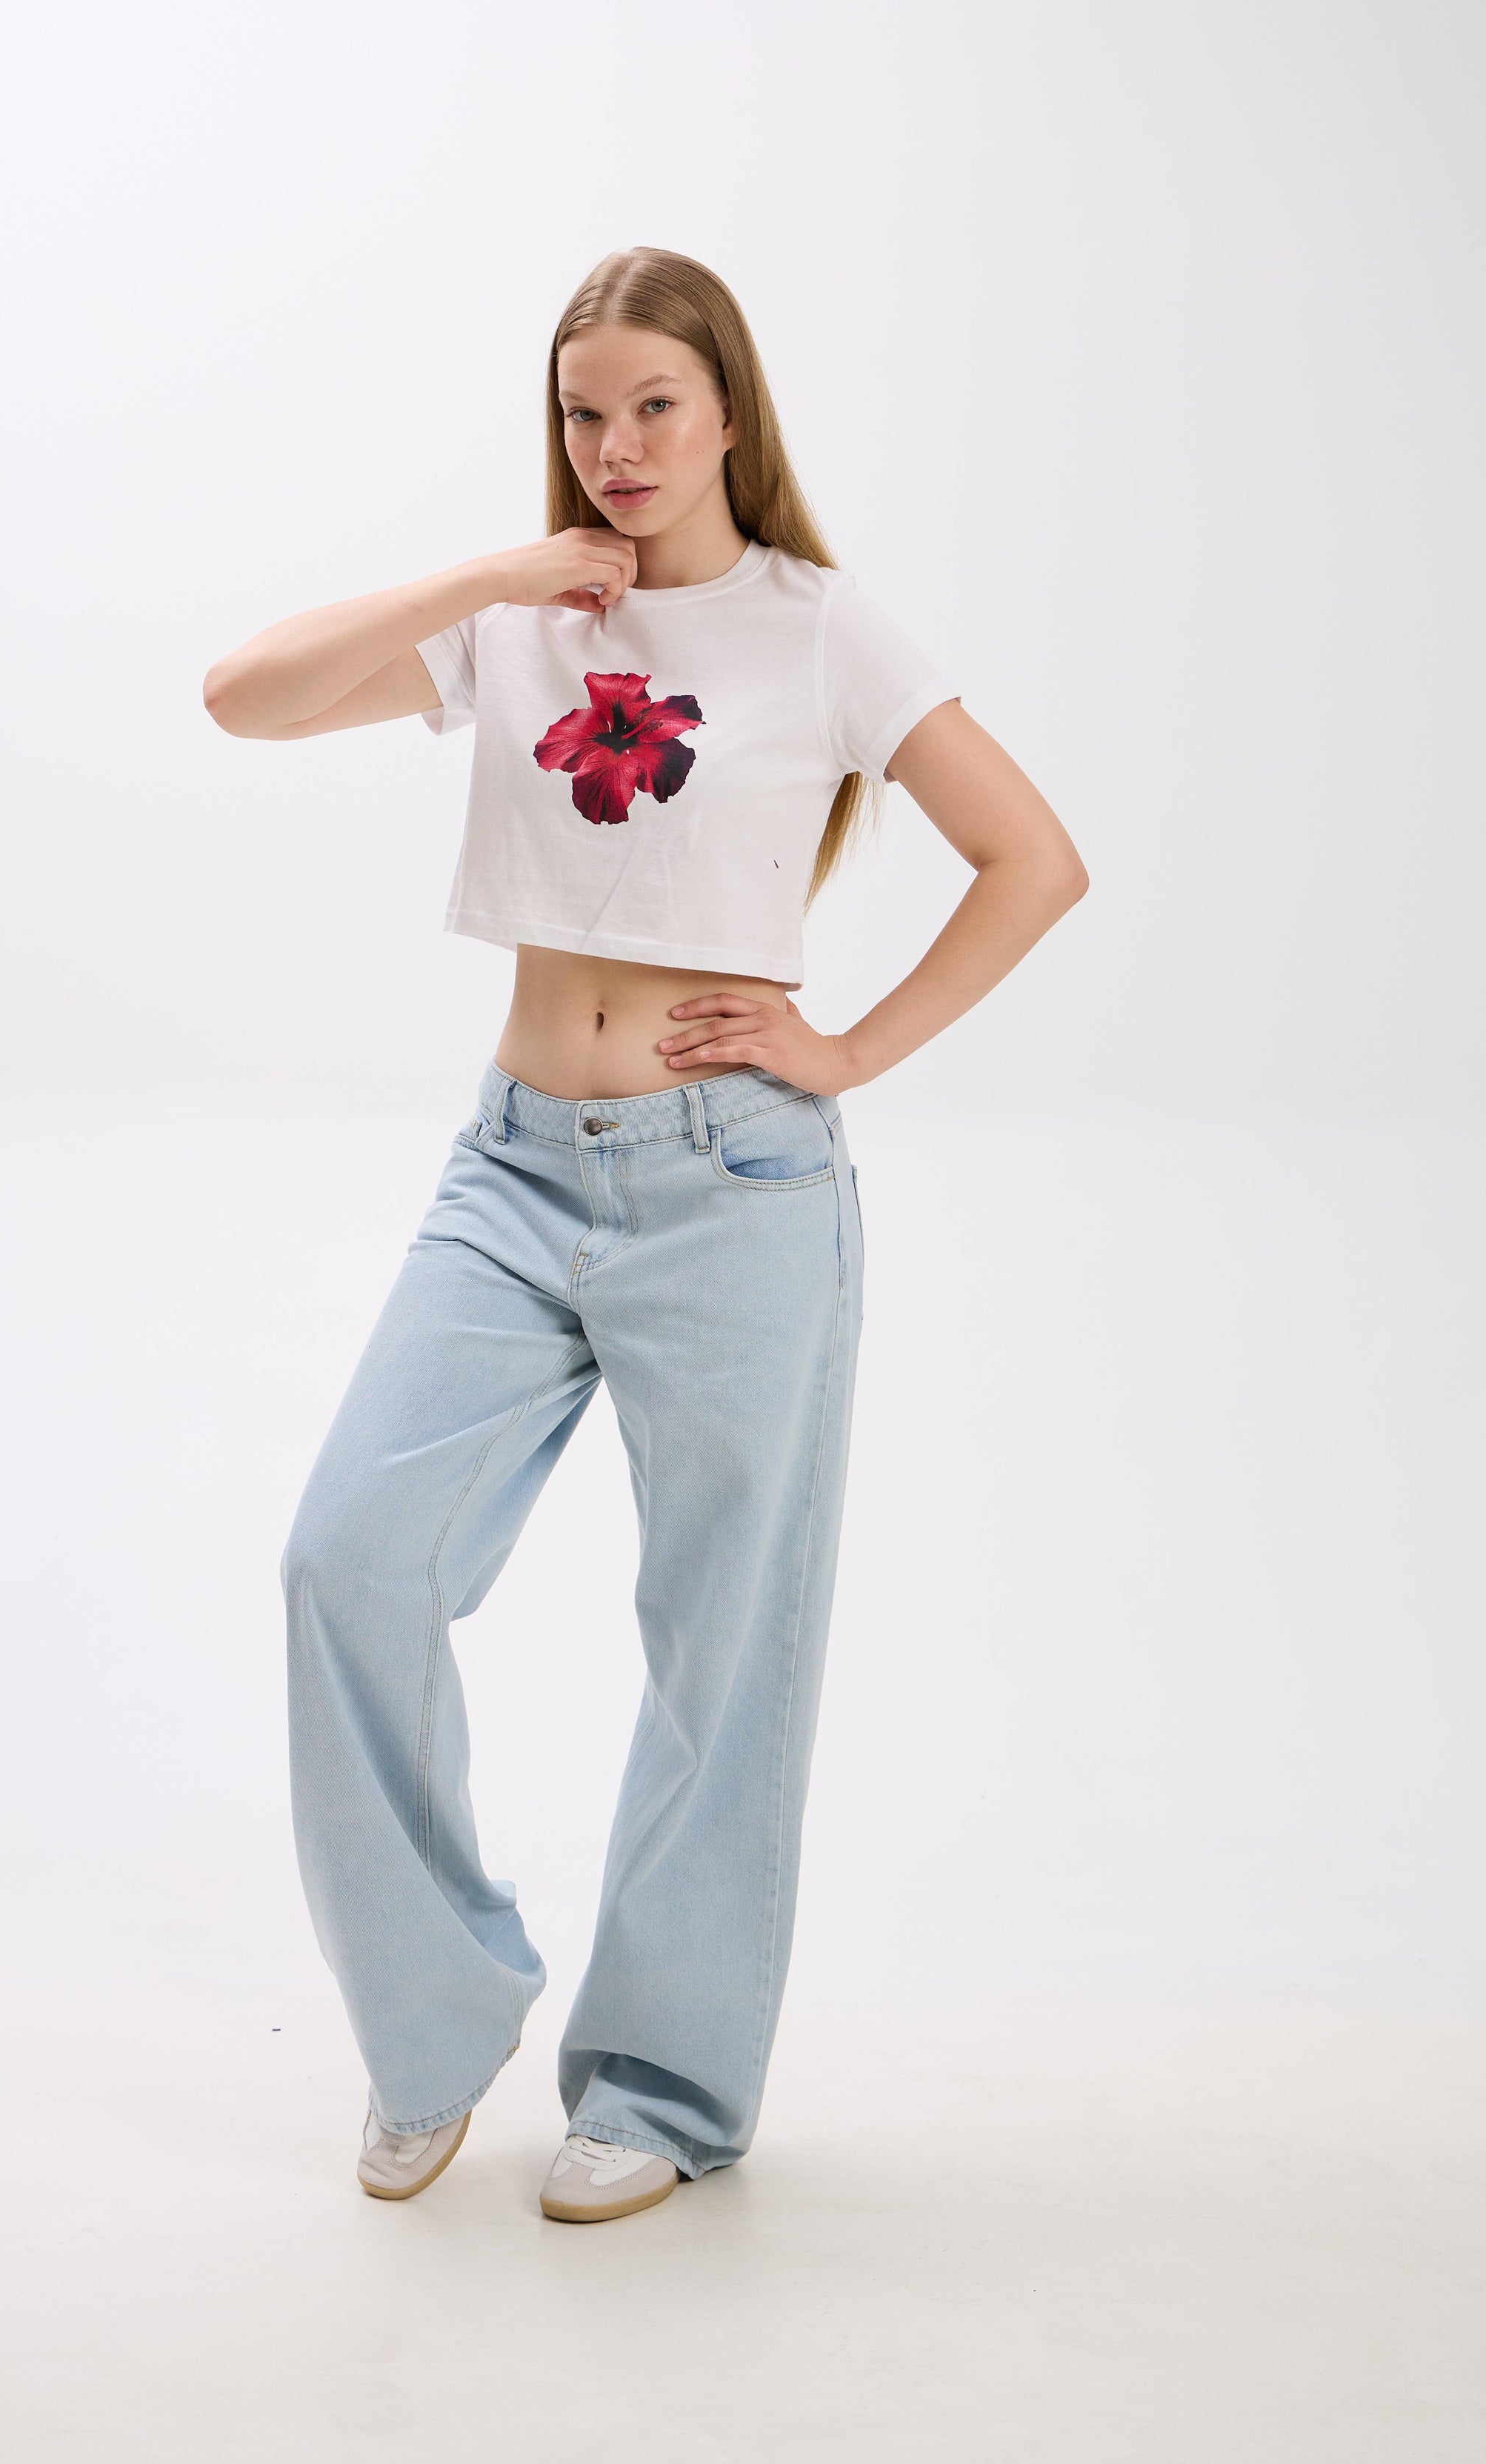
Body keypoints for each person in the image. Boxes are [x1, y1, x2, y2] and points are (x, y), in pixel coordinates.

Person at [203, 246, 1087, 2224]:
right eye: (584, 412)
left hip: (739, 1189)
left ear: (732, 422)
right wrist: (482, 581)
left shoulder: (820, 628)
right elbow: (240, 700)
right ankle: (437, 2022)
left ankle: (668, 2088)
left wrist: (846, 1045)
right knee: (348, 1557)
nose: (615, 448)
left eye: (655, 410)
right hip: (512, 1173)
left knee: (723, 1645)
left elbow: (1038, 858)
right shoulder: (522, 620)